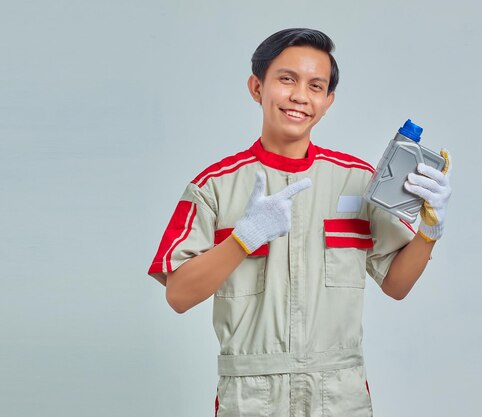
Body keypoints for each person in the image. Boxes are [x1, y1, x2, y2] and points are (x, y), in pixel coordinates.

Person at [147, 28, 452, 417]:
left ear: (328, 101)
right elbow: (178, 296)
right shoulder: (214, 187)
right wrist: (244, 237)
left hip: (338, 395)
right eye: (286, 79)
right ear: (257, 87)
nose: (299, 96)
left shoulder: (358, 180)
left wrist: (430, 229)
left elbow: (396, 284)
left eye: (315, 85)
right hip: (251, 398)